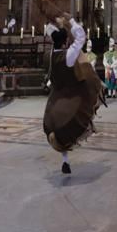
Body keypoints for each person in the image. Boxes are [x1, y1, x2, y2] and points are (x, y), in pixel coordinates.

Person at [42, 15, 102, 174]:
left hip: (56, 95)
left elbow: (52, 33)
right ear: (65, 42)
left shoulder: (48, 55)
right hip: (71, 92)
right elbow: (81, 37)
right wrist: (72, 21)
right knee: (90, 85)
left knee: (57, 129)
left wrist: (60, 26)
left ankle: (65, 161)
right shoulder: (68, 56)